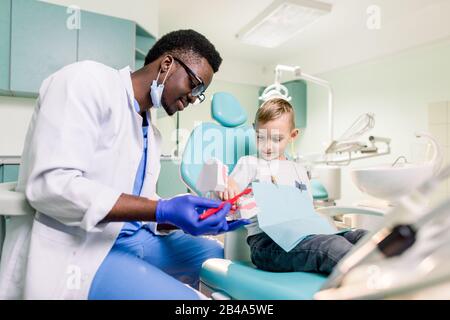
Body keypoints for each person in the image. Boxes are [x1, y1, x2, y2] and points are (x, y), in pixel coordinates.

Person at [0, 29, 249, 300]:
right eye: (195, 84)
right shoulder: (86, 81)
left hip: (133, 237)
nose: (193, 97)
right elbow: (53, 186)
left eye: (199, 93)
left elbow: (141, 203)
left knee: (220, 257)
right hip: (84, 247)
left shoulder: (150, 132)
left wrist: (187, 220)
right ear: (167, 64)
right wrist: (163, 210)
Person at [219, 98, 367, 275]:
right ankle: (374, 281)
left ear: (293, 135)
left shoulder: (299, 170)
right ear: (254, 129)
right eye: (261, 137)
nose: (267, 146)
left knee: (361, 237)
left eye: (277, 139)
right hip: (268, 243)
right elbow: (228, 188)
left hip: (305, 234)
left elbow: (307, 210)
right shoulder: (250, 164)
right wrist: (227, 184)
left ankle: (398, 271)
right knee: (332, 247)